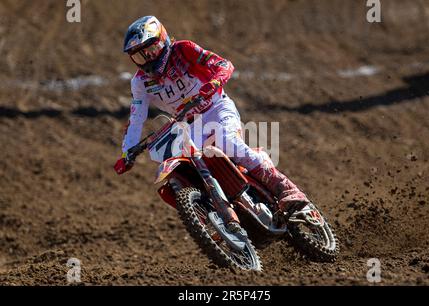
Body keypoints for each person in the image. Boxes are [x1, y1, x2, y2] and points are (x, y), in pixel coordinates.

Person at [114, 16, 310, 220]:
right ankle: (216, 217)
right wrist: (127, 152)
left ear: (162, 41)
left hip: (216, 108)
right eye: (139, 56)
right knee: (186, 169)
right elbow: (136, 118)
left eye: (150, 51)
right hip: (189, 126)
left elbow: (223, 65)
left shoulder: (184, 50)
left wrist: (215, 82)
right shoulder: (140, 83)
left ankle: (286, 189)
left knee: (228, 142)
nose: (147, 60)